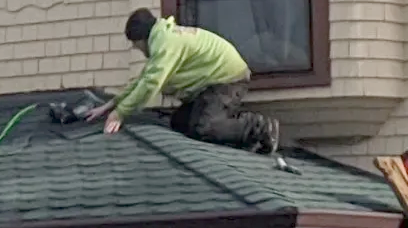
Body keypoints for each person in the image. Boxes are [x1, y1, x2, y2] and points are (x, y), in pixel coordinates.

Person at [83, 8, 280, 153]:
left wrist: (120, 114)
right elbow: (142, 79)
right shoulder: (164, 38)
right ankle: (243, 139)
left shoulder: (166, 44)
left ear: (142, 38)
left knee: (205, 127)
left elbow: (151, 83)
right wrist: (110, 106)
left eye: (137, 46)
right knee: (180, 122)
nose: (140, 51)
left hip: (227, 79)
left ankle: (260, 127)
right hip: (209, 84)